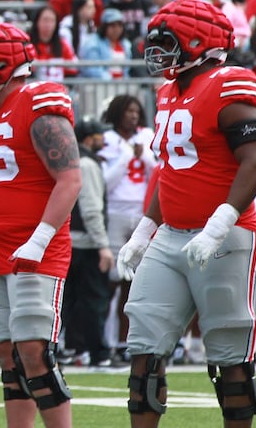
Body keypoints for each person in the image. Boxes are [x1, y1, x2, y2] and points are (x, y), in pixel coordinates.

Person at [117, 0, 256, 426]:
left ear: (199, 42)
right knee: (144, 349)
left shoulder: (228, 82)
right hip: (172, 235)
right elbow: (174, 169)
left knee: (228, 355)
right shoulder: (168, 91)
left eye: (167, 41)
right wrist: (145, 229)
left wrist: (219, 225)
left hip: (227, 235)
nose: (157, 51)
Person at [0, 22, 81, 428]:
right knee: (8, 356)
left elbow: (70, 178)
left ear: (1, 65)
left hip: (34, 252)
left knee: (34, 352)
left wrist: (39, 240)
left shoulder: (38, 101)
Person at [98, 94, 156, 365]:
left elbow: (156, 173)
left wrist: (142, 156)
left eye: (137, 110)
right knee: (110, 279)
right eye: (128, 110)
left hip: (142, 213)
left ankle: (124, 341)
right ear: (117, 112)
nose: (133, 115)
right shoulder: (107, 139)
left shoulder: (147, 136)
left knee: (134, 282)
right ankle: (104, 341)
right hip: (116, 211)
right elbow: (105, 185)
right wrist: (124, 159)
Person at [59, 116, 114, 369]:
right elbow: (91, 208)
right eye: (99, 135)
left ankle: (70, 348)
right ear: (88, 138)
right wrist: (103, 244)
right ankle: (98, 353)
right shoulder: (88, 164)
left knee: (69, 300)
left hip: (69, 240)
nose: (104, 139)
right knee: (94, 300)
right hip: (86, 243)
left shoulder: (71, 159)